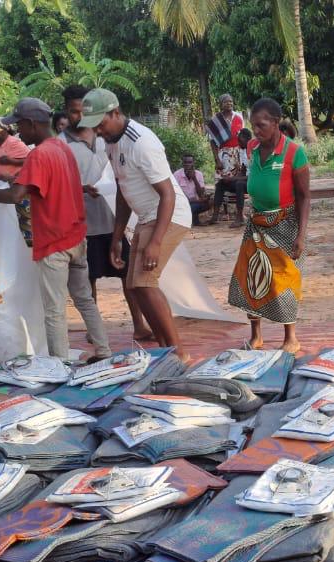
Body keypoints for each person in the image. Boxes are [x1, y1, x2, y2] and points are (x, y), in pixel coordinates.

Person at [0, 98, 111, 363]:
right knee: (84, 299)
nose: (18, 132)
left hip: (53, 243)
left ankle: (60, 365)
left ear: (30, 124)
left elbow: (17, 195)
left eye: (19, 125)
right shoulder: (62, 148)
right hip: (75, 237)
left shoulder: (38, 155)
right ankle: (105, 351)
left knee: (54, 311)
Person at [79, 88, 193, 361]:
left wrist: (155, 242)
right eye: (93, 127)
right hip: (145, 217)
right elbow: (123, 191)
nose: (98, 131)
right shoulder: (111, 143)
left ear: (115, 113)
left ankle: (179, 355)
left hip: (169, 214)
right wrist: (117, 237)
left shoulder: (141, 142)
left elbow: (167, 194)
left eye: (101, 124)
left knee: (144, 283)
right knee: (135, 285)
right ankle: (166, 349)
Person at [60, 85, 146, 342]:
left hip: (114, 218)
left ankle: (139, 325)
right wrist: (80, 189)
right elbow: (58, 184)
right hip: (83, 223)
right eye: (74, 112)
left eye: (82, 111)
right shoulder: (61, 145)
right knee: (88, 279)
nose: (78, 117)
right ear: (67, 111)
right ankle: (93, 329)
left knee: (128, 275)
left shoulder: (106, 138)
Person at [224, 98, 309, 353]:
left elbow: (305, 196)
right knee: (252, 277)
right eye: (254, 126)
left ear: (275, 123)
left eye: (261, 125)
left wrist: (301, 236)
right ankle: (256, 336)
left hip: (286, 224)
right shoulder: (251, 147)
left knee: (285, 280)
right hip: (257, 225)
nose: (256, 131)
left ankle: (290, 337)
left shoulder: (294, 152)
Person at [209, 128, 251, 228]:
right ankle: (215, 216)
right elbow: (243, 171)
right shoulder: (242, 151)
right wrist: (230, 178)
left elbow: (253, 176)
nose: (238, 142)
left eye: (240, 140)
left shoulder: (254, 151)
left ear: (248, 139)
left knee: (239, 184)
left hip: (254, 182)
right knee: (221, 183)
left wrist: (234, 179)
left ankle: (240, 217)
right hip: (245, 180)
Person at [205, 93, 245, 173]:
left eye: (230, 101)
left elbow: (243, 136)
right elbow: (212, 142)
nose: (229, 103)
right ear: (221, 104)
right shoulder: (216, 120)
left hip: (239, 154)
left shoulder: (238, 117)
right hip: (224, 155)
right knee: (225, 180)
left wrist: (244, 155)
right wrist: (217, 160)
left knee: (239, 180)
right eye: (226, 102)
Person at [174, 154, 212, 226]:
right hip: (182, 203)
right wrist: (196, 200)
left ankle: (192, 220)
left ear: (193, 163)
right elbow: (176, 194)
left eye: (190, 162)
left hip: (195, 203)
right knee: (189, 207)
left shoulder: (199, 174)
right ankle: (193, 220)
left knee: (209, 203)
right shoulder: (177, 175)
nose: (187, 164)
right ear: (182, 163)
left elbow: (201, 194)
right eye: (185, 162)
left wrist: (194, 178)